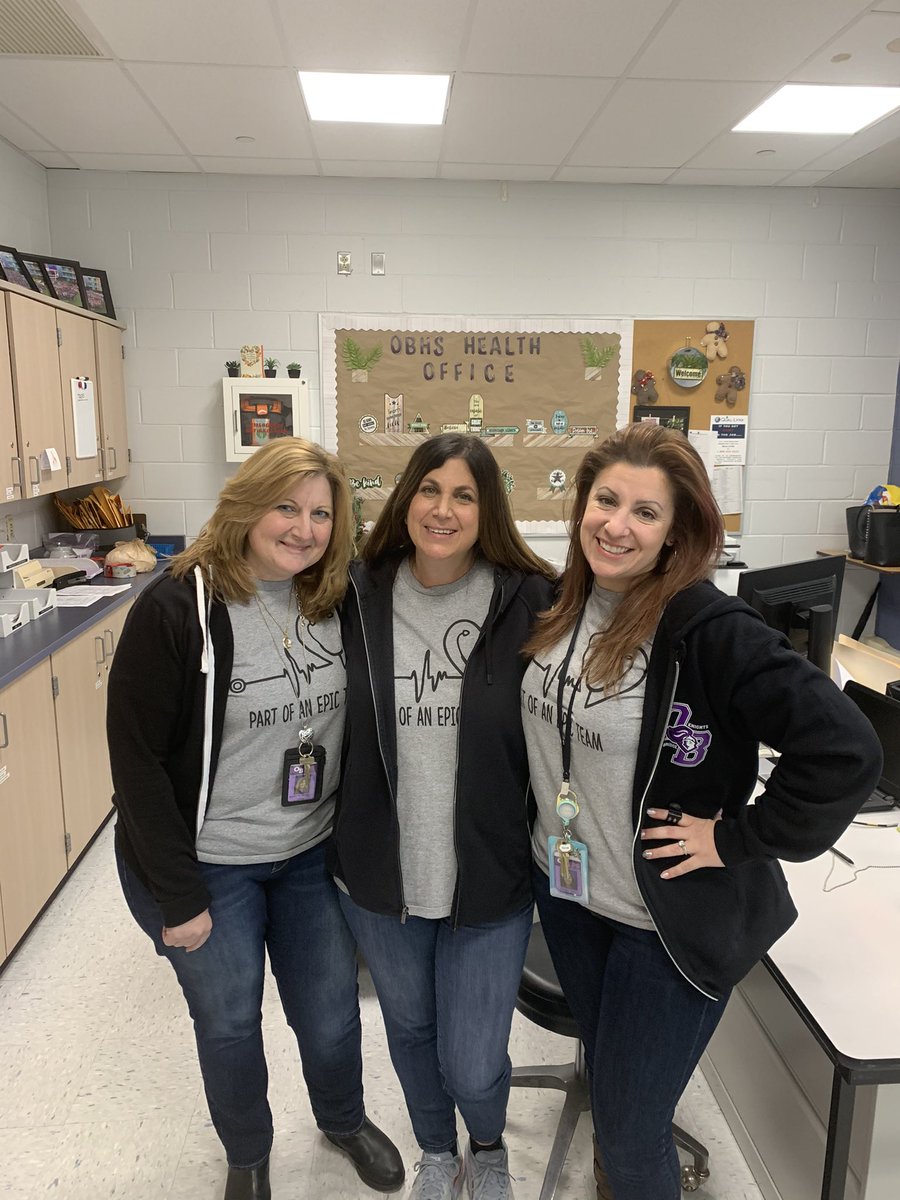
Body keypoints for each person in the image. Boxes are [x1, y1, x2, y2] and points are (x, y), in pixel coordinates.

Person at [520, 422, 882, 1200]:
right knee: (616, 1087)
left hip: (664, 922)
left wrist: (740, 836)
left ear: (677, 532)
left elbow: (846, 750)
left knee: (627, 1125)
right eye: (605, 500)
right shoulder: (559, 606)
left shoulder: (706, 631)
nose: (617, 524)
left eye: (645, 513)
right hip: (574, 895)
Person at [107, 438, 404, 1200]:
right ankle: (248, 1154)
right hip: (208, 863)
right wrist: (178, 897)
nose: (304, 529)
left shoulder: (335, 599)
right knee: (231, 1023)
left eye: (320, 514)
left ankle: (342, 1120)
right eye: (286, 507)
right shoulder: (177, 608)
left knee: (333, 1013)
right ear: (247, 505)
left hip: (308, 854)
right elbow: (136, 765)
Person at [330, 433, 557, 1200]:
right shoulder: (355, 592)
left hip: (488, 875)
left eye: (464, 495)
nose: (443, 509)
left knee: (472, 1054)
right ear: (406, 497)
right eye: (430, 490)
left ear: (486, 509)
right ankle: (435, 1148)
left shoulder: (533, 597)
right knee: (411, 1030)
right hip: (380, 872)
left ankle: (485, 1145)